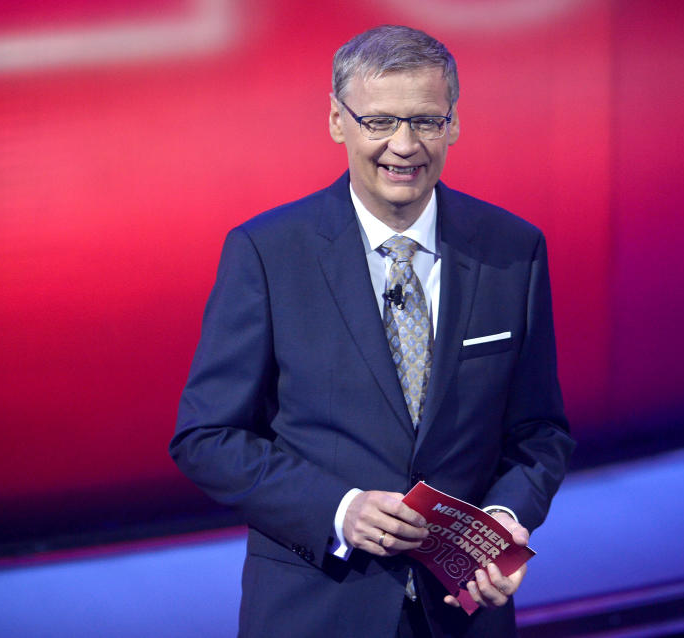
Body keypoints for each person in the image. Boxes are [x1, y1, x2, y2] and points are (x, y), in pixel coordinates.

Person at [170, 25, 574, 638]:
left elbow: (540, 431)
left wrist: (501, 519)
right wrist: (339, 510)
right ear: (338, 121)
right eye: (379, 122)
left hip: (461, 615)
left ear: (454, 123)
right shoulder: (267, 252)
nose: (404, 145)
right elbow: (206, 437)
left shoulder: (514, 252)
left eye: (426, 121)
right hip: (315, 608)